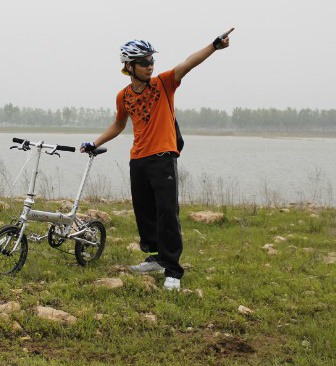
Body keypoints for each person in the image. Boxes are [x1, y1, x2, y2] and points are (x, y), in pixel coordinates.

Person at [81, 30, 234, 291]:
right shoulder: (124, 96)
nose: (150, 65)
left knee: (167, 213)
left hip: (163, 157)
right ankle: (155, 259)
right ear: (129, 66)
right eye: (144, 62)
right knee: (144, 213)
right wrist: (95, 143)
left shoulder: (164, 83)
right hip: (138, 160)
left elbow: (188, 63)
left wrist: (214, 46)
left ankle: (173, 270)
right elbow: (119, 124)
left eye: (152, 60)